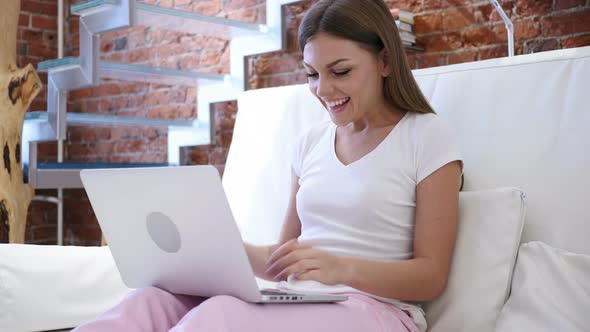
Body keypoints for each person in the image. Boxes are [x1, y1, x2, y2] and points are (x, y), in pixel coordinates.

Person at [73, 0, 463, 331]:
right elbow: (283, 259)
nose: (323, 91)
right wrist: (218, 253)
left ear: (385, 62)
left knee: (220, 316)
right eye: (312, 74)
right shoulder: (310, 142)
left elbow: (431, 276)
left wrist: (339, 268)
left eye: (340, 72)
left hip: (380, 311)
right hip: (305, 299)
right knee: (147, 302)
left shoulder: (426, 136)